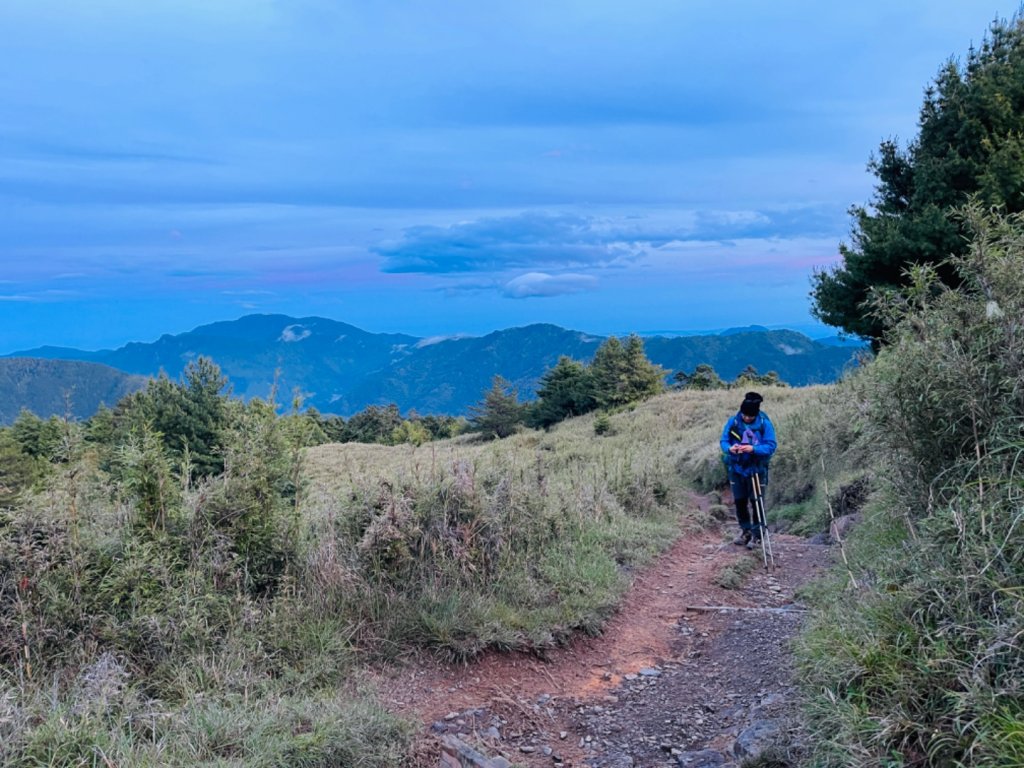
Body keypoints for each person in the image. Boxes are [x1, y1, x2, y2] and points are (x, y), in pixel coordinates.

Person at [720, 391, 777, 549]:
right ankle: (745, 531)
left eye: (750, 416)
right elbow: (724, 441)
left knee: (756, 501)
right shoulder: (733, 422)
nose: (746, 418)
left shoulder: (765, 424)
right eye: (744, 415)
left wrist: (753, 449)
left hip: (757, 469)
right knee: (740, 501)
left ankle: (758, 535)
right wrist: (730, 449)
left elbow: (771, 446)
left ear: (756, 414)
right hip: (736, 468)